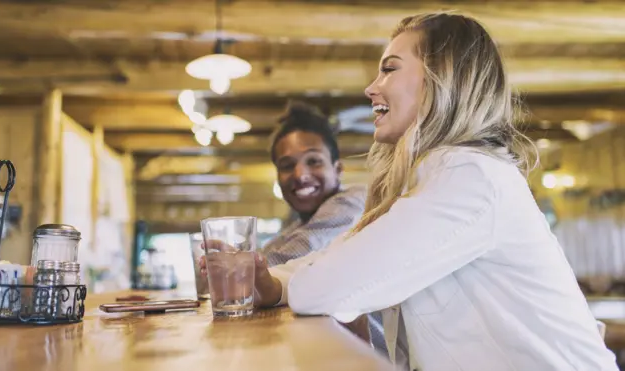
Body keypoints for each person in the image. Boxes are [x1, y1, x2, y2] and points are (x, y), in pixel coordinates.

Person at [234, 13, 618, 371]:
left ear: (441, 77)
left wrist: (282, 285)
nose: (371, 89)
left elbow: (321, 288)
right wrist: (272, 282)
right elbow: (346, 253)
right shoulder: (434, 177)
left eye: (389, 69)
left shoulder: (469, 176)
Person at [260, 101, 391, 352]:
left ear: (337, 169)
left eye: (314, 161)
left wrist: (239, 272)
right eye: (287, 166)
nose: (300, 174)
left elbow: (294, 254)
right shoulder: (301, 221)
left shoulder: (352, 202)